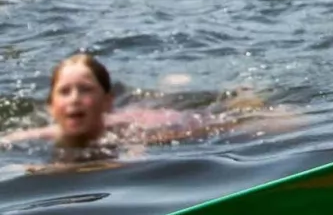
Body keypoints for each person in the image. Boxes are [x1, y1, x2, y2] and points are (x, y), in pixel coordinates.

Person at [0, 53, 288, 154]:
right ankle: (169, 85)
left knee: (237, 118)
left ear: (107, 102)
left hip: (159, 121)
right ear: (51, 106)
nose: (74, 99)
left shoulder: (127, 136)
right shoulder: (37, 137)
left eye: (85, 90)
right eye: (64, 92)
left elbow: (134, 156)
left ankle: (241, 92)